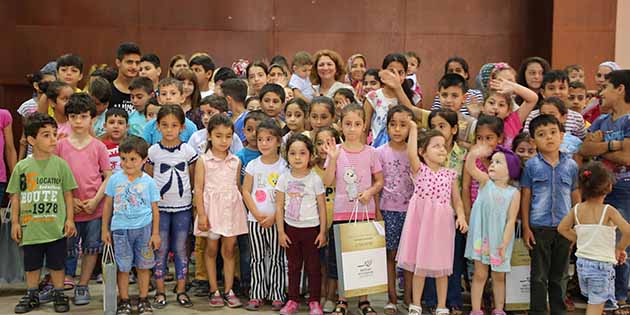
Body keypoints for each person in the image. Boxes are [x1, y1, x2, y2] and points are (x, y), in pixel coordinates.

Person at [8, 113, 78, 314]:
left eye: (55, 134)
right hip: (31, 228)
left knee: (57, 264)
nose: (53, 139)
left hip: (55, 228)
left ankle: (58, 293)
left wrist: (70, 219)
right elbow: (16, 196)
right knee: (32, 266)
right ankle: (31, 294)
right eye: (46, 135)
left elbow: (68, 195)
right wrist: (15, 223)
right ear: (31, 140)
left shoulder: (60, 165)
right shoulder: (22, 167)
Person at [397, 124, 468, 315]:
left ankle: (442, 305)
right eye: (436, 145)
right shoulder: (420, 170)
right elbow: (411, 153)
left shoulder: (450, 175)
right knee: (420, 265)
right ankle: (416, 303)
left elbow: (457, 201)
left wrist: (461, 216)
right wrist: (413, 130)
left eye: (443, 146)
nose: (442, 149)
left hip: (442, 225)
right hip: (421, 224)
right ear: (423, 152)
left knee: (443, 266)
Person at [321, 103, 384, 315]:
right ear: (340, 126)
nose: (352, 128)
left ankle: (364, 301)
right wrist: (333, 160)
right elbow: (328, 181)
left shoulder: (371, 152)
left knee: (363, 257)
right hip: (341, 213)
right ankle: (342, 299)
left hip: (365, 213)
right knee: (342, 259)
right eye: (347, 124)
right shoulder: (335, 151)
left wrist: (369, 192)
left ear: (364, 126)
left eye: (357, 124)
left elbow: (380, 181)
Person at [579, 69, 630, 312]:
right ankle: (602, 296)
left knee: (621, 243)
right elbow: (583, 148)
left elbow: (628, 157)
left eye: (606, 87)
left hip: (624, 190)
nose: (601, 93)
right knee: (600, 242)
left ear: (620, 89)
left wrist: (598, 147)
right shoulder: (600, 120)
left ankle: (620, 295)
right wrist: (612, 145)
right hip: (599, 191)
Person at [55, 93, 112, 306]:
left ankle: (83, 285)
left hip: (94, 210)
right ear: (67, 118)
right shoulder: (60, 146)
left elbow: (108, 176)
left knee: (91, 248)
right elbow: (57, 177)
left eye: (83, 116)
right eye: (73, 116)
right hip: (69, 210)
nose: (78, 121)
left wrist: (96, 200)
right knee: (65, 248)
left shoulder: (99, 146)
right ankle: (62, 283)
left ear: (92, 118)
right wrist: (71, 201)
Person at [521, 114, 580, 315]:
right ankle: (537, 311)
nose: (549, 138)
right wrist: (527, 227)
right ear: (533, 140)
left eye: (553, 132)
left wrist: (576, 227)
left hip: (564, 228)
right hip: (539, 227)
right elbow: (526, 197)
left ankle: (558, 311)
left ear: (562, 135)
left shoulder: (571, 166)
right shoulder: (531, 166)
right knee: (538, 275)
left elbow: (575, 196)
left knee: (560, 275)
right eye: (541, 134)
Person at [558, 161, 630, 315]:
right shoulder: (608, 210)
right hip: (601, 266)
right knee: (595, 307)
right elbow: (628, 231)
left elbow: (562, 228)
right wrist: (619, 249)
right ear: (609, 186)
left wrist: (583, 240)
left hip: (582, 265)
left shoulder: (577, 209)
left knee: (595, 301)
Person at [144, 105, 198, 308]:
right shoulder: (153, 151)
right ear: (158, 126)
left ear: (182, 128)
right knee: (161, 248)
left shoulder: (188, 151)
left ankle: (181, 289)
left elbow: (192, 178)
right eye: (164, 125)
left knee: (181, 249)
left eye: (174, 125)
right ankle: (160, 291)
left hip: (182, 208)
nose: (169, 129)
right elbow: (148, 178)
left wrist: (193, 201)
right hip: (160, 209)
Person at [193, 115, 248, 308]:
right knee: (211, 249)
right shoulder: (203, 161)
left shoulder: (235, 161)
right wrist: (201, 215)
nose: (223, 141)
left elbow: (238, 187)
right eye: (218, 136)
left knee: (230, 249)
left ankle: (229, 289)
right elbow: (199, 189)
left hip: (231, 210)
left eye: (227, 136)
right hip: (211, 211)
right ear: (209, 136)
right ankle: (213, 289)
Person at [101, 136, 161, 315]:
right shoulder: (114, 180)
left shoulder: (149, 182)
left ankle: (144, 299)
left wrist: (155, 233)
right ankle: (124, 300)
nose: (127, 163)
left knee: (143, 266)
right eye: (123, 159)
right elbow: (107, 206)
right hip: (120, 229)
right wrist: (105, 229)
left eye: (133, 159)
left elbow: (155, 209)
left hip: (144, 229)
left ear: (143, 160)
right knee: (123, 266)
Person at [464, 144, 521, 315]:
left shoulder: (513, 193)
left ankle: (498, 309)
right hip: (482, 238)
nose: (492, 165)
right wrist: (474, 154)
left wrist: (504, 242)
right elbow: (470, 168)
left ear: (510, 170)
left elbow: (511, 220)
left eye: (498, 162)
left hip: (500, 241)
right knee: (480, 274)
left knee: (499, 276)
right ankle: (476, 310)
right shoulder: (485, 182)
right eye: (492, 161)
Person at [275, 134, 327, 315]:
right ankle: (292, 299)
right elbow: (279, 206)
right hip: (291, 229)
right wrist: (281, 232)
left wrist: (322, 232)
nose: (297, 157)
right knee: (293, 266)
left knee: (313, 267)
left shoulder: (315, 179)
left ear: (310, 155)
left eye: (302, 153)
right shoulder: (283, 179)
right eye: (293, 153)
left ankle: (314, 301)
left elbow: (322, 207)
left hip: (311, 230)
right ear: (286, 155)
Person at [423, 108, 468, 314]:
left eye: (442, 126)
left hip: (452, 215)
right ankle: (431, 300)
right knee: (430, 258)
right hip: (430, 216)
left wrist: (462, 215)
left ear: (454, 128)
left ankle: (453, 300)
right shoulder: (425, 155)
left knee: (453, 259)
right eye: (433, 127)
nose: (437, 130)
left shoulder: (463, 155)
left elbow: (463, 189)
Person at [241, 119, 287, 311]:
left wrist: (274, 216)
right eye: (260, 139)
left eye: (269, 139)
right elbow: (245, 191)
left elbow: (285, 196)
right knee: (257, 258)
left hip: (277, 221)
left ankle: (277, 294)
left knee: (277, 258)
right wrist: (257, 214)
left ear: (278, 141)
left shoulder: (284, 166)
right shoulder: (252, 165)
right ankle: (257, 293)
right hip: (255, 220)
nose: (264, 143)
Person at [376, 105, 415, 314]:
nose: (398, 129)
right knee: (390, 255)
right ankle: (391, 298)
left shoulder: (414, 153)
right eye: (393, 124)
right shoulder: (379, 153)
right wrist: (377, 210)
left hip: (411, 212)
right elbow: (376, 184)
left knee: (408, 258)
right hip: (388, 210)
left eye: (403, 125)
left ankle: (409, 298)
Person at [312, 126, 340, 313]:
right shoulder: (311, 167)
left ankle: (332, 295)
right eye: (320, 143)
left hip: (337, 218)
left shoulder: (341, 163)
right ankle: (320, 294)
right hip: (316, 220)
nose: (324, 147)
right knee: (320, 261)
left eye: (329, 142)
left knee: (334, 263)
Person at [110, 42, 141, 113]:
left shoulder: (144, 92)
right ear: (118, 62)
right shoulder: (108, 91)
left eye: (137, 63)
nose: (134, 67)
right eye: (129, 62)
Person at [99, 108, 129, 172]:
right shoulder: (99, 146)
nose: (116, 126)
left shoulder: (133, 145)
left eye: (120, 123)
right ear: (105, 126)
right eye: (111, 122)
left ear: (127, 127)